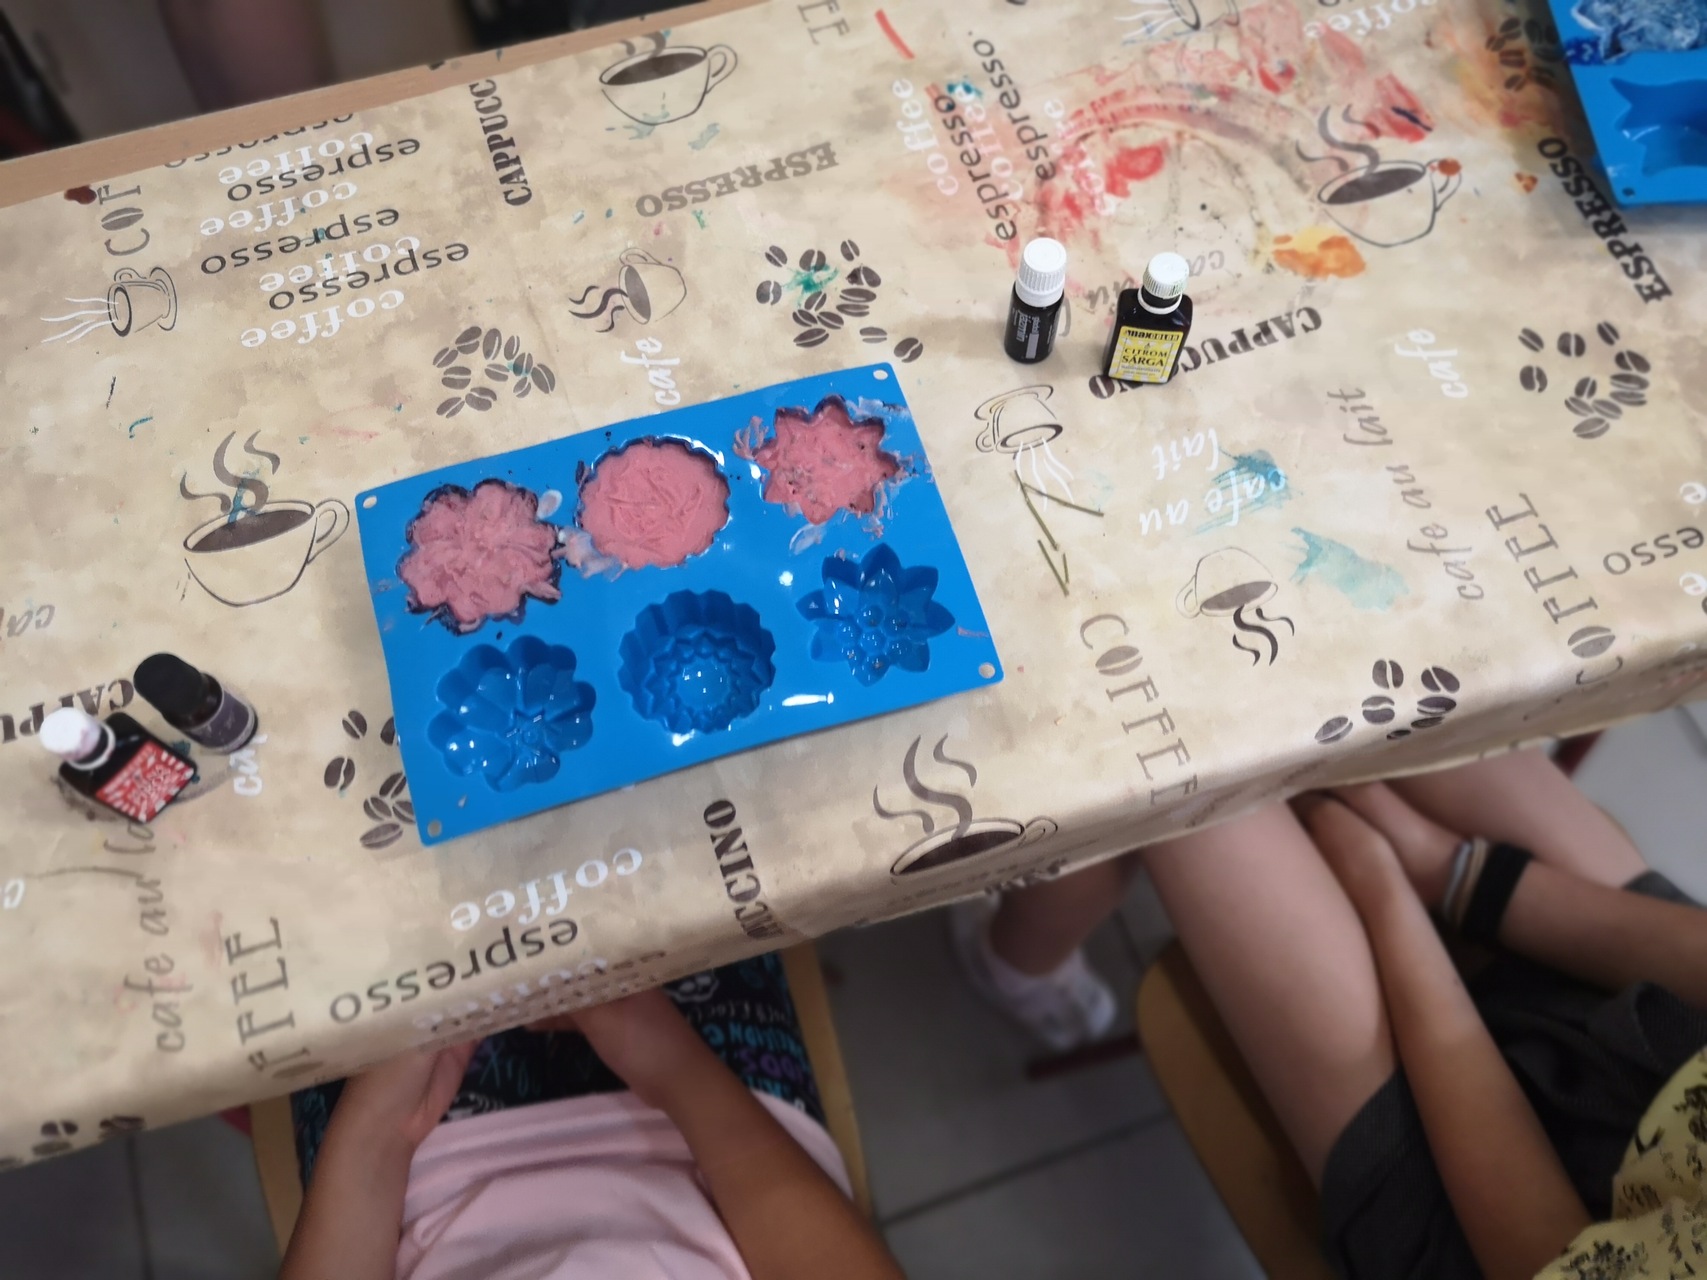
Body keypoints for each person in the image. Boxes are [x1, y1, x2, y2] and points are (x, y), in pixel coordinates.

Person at [970, 749, 1707, 1277]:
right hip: (1678, 1038)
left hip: (1505, 1233)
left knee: (1169, 761)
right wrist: (1455, 872)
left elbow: (1535, 1243)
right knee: (1368, 666)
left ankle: (1018, 967)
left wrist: (1384, 892)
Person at [279, 954, 904, 1280]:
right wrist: (675, 1067)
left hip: (406, 1184)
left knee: (337, 858)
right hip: (735, 1149)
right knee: (682, 801)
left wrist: (377, 1133)